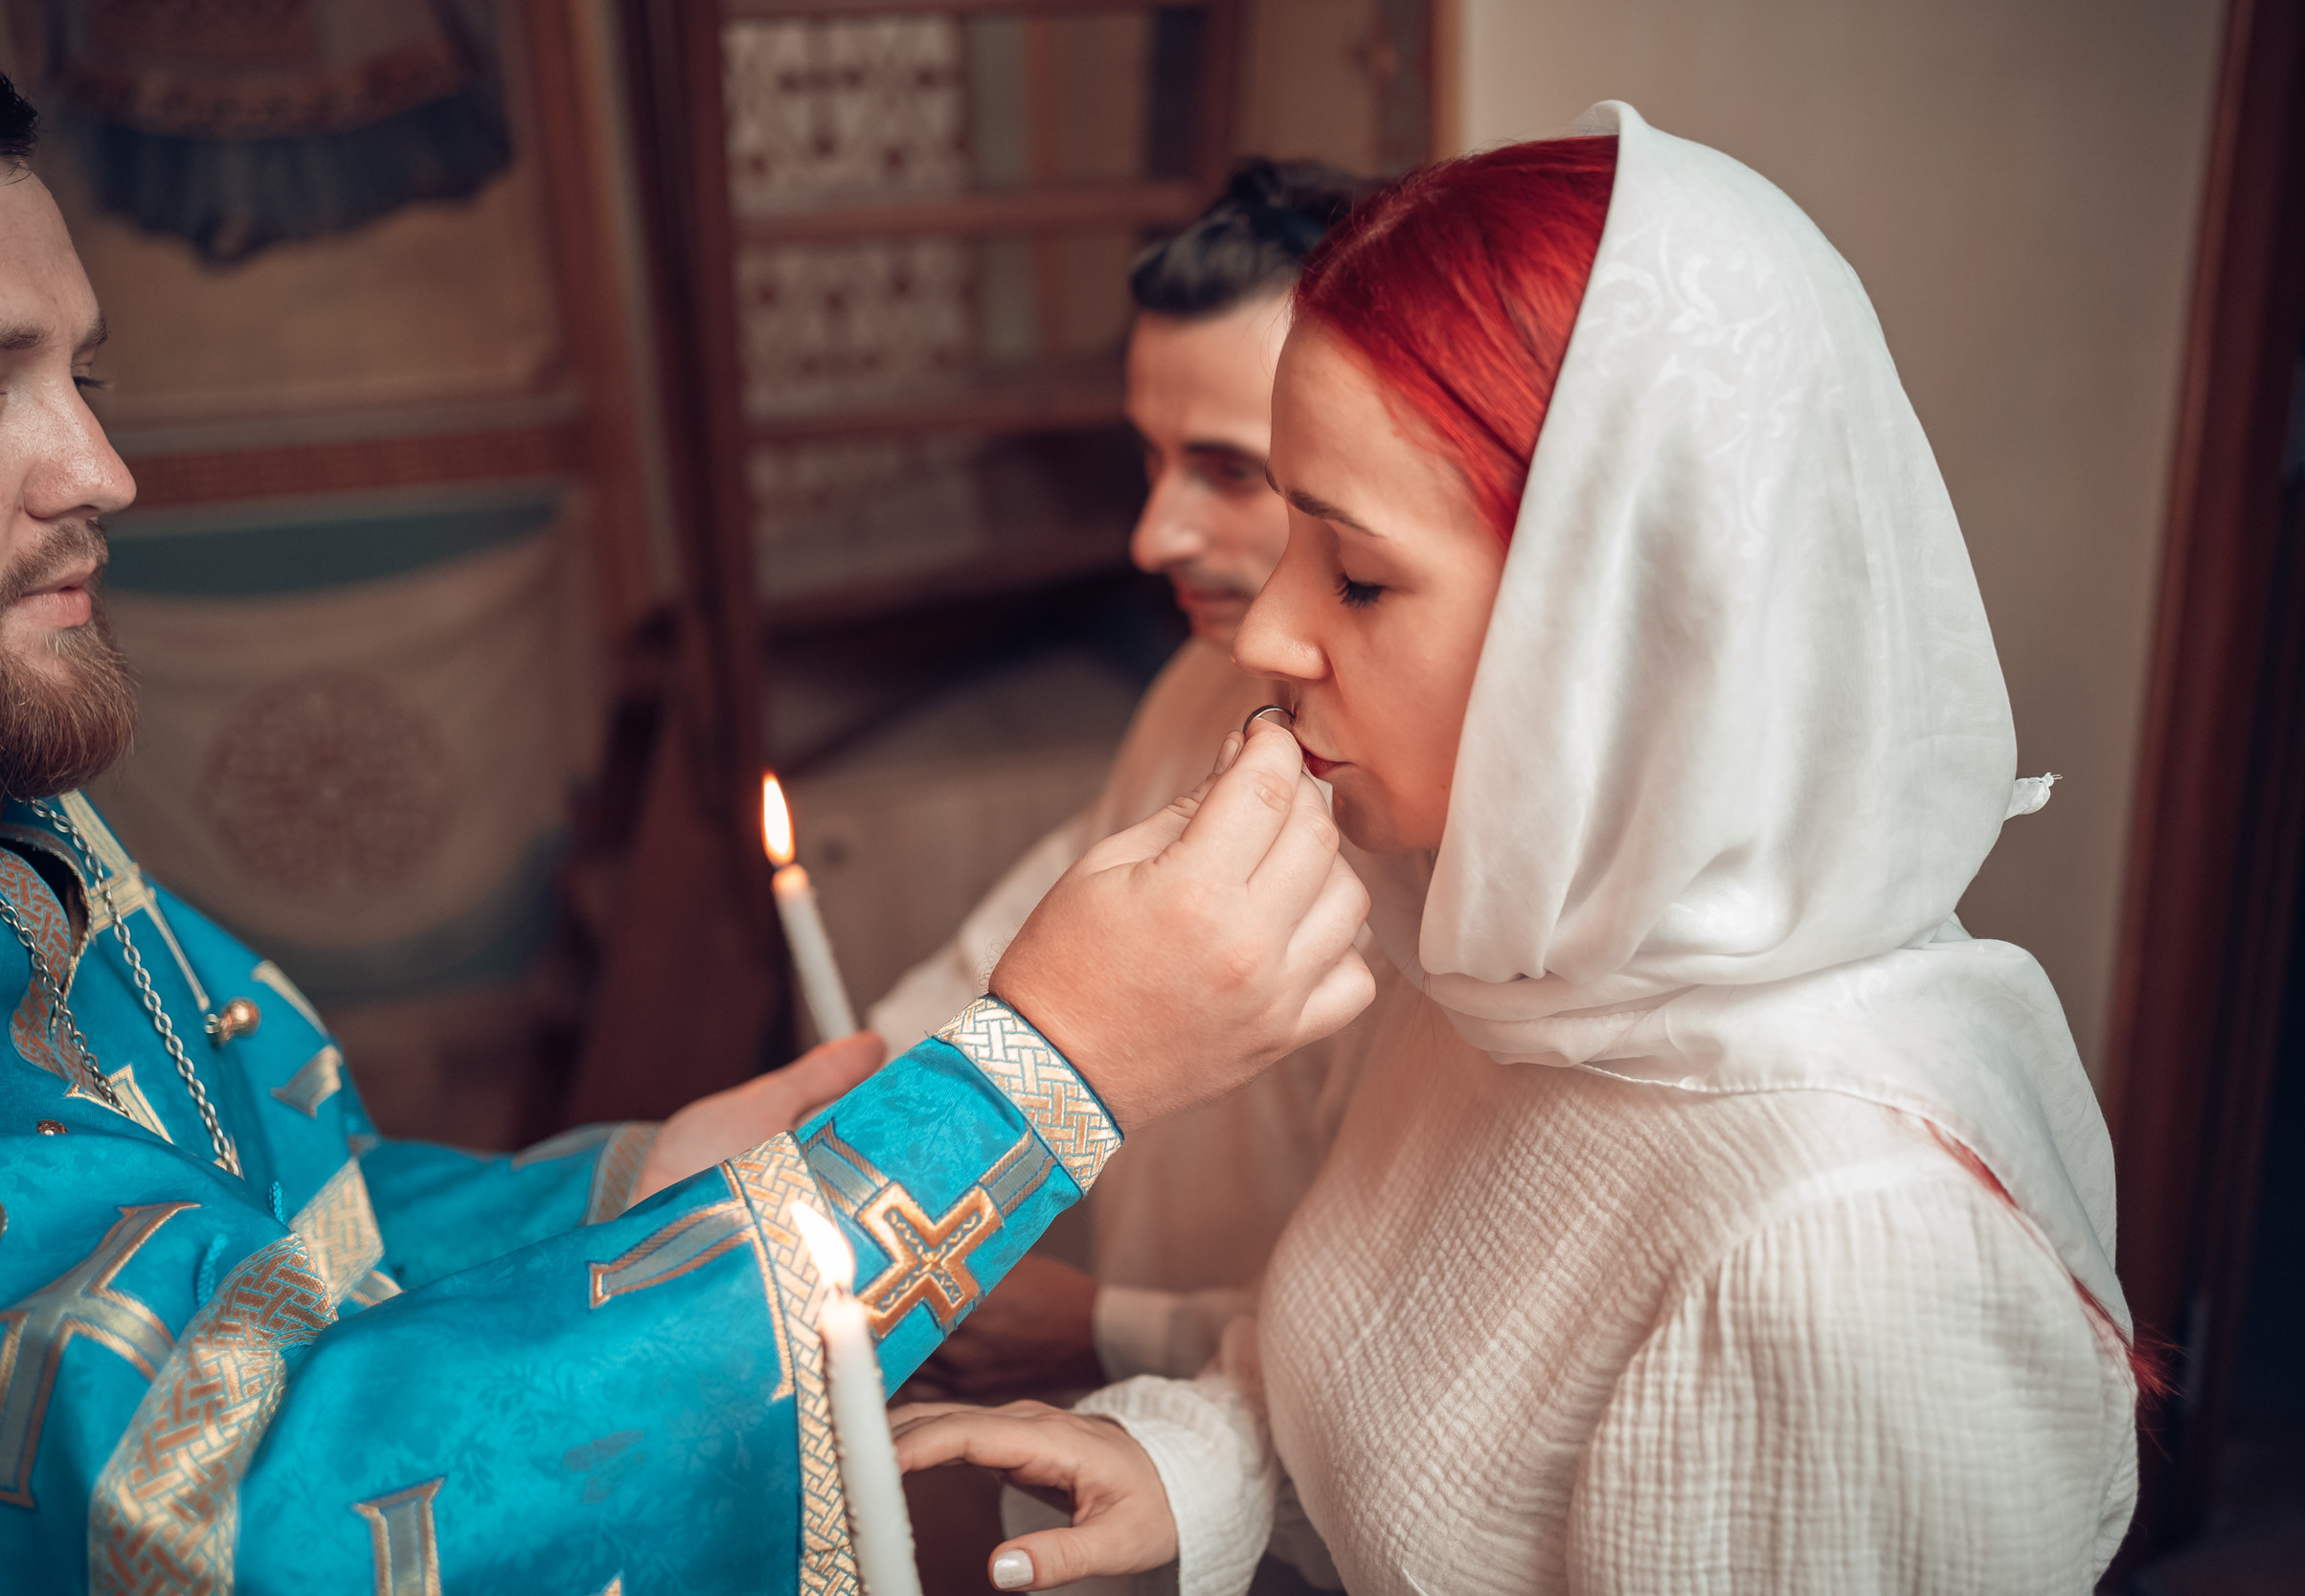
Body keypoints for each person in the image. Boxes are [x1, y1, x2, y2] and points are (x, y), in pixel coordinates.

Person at [0, 76, 1373, 1593]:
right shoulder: (1201, 704)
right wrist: (1010, 1098)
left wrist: (652, 1178)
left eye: (87, 384)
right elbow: (237, 1507)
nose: (101, 474)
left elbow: (278, 1251)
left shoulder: (42, 847)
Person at [892, 103, 2150, 1595]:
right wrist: (1202, 1455)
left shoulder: (1841, 1255)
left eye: (1356, 574)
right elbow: (1402, 1398)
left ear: (1627, 628)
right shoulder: (1524, 957)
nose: (1278, 632)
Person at [874, 159, 1377, 1402]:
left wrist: (1108, 1327)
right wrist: (831, 1111)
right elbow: (1030, 941)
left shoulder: (1431, 814)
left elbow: (1428, 1317)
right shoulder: (1199, 685)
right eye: (1150, 462)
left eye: (1228, 470)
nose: (1154, 538)